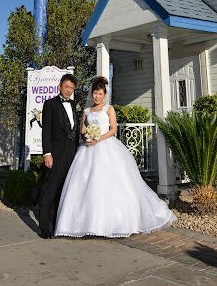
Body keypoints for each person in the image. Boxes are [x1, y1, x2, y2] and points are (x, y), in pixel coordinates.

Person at [54, 76, 176, 237]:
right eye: (95, 93)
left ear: (104, 95)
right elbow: (82, 130)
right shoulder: (86, 111)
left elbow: (113, 129)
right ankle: (86, 223)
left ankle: (115, 222)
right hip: (88, 149)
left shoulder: (108, 109)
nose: (97, 96)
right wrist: (86, 138)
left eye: (100, 93)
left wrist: (99, 139)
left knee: (111, 184)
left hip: (107, 147)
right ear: (91, 94)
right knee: (86, 185)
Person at [38, 73, 79, 239]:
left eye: (71, 88)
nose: (69, 90)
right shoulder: (50, 104)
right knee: (49, 191)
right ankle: (44, 228)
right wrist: (47, 153)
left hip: (71, 154)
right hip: (55, 155)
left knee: (63, 191)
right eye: (66, 87)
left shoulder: (73, 104)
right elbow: (46, 130)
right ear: (60, 87)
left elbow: (74, 130)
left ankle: (57, 225)